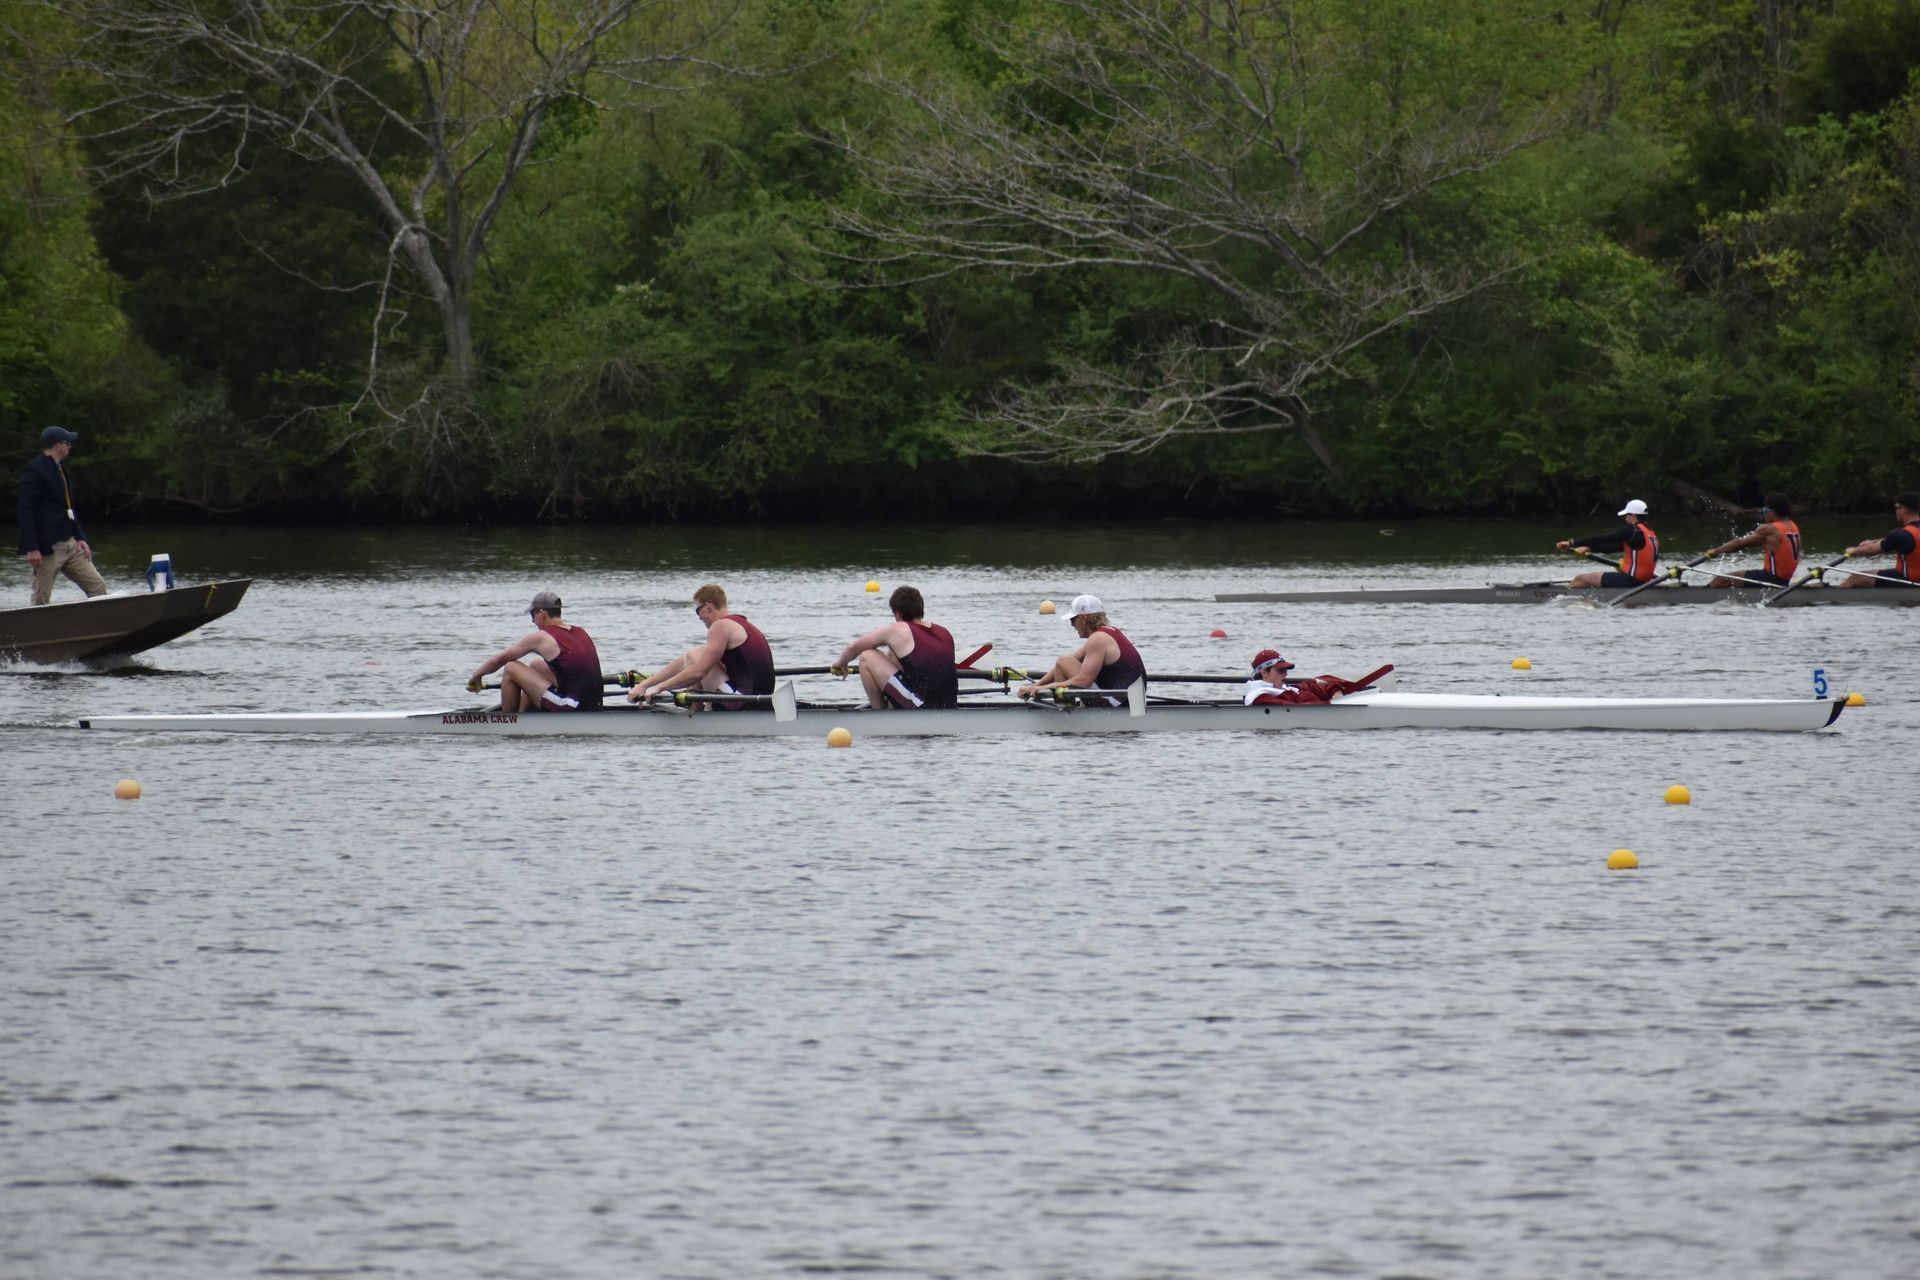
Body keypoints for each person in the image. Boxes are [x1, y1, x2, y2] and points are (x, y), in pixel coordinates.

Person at [627, 583, 775, 708]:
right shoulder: (740, 623)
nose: (699, 617)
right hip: (760, 699)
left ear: (708, 608)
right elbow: (682, 663)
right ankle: (697, 709)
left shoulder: (720, 627)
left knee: (695, 656)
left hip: (744, 701)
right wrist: (645, 685)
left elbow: (698, 672)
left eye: (698, 611)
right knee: (696, 655)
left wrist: (659, 688)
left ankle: (697, 714)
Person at [466, 591, 605, 712]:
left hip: (571, 706)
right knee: (536, 665)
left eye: (533, 614)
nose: (533, 621)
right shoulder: (581, 632)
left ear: (541, 613)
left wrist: (475, 677)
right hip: (595, 705)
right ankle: (524, 715)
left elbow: (498, 660)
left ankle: (508, 723)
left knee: (510, 667)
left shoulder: (542, 637)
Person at [17, 425, 108, 605]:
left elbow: (69, 507)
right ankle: (34, 631)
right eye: (68, 443)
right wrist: (32, 547)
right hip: (47, 548)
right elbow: (25, 509)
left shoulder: (62, 470)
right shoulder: (34, 470)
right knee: (41, 598)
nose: (70, 447)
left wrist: (80, 537)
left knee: (98, 586)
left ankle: (100, 628)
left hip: (70, 543)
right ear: (58, 445)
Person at [833, 584, 958, 709]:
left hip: (921, 707)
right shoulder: (944, 632)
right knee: (894, 654)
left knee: (867, 656)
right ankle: (891, 708)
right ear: (921, 609)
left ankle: (879, 716)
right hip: (949, 705)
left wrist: (841, 664)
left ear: (898, 614)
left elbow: (853, 648)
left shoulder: (899, 629)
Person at [1016, 593, 1147, 706]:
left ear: (1084, 619)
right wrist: (1035, 686)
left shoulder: (1098, 639)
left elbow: (1083, 681)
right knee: (1064, 661)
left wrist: (1042, 688)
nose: (1072, 625)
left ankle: (1065, 717)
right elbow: (1064, 664)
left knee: (1064, 663)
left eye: (1073, 619)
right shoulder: (1109, 632)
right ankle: (1069, 707)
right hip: (1129, 700)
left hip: (1117, 703)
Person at [1555, 499, 1659, 589]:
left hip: (1630, 581)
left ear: (1633, 516)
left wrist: (1572, 543)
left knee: (1581, 579)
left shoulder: (1632, 530)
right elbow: (1612, 547)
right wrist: (1589, 548)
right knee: (1590, 579)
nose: (1625, 518)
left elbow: (1604, 538)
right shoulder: (1649, 533)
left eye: (1627, 515)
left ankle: (1559, 596)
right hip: (1645, 582)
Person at [1703, 494, 1801, 587]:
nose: (1764, 513)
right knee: (1736, 580)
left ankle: (1701, 595)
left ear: (1772, 512)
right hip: (1784, 580)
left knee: (1721, 579)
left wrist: (1716, 551)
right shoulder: (1792, 526)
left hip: (1770, 578)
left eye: (1765, 510)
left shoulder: (1769, 529)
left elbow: (1739, 544)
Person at [1837, 492, 1920, 588]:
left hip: (1909, 581)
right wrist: (1871, 542)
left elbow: (1871, 551)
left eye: (1896, 508)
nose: (1895, 511)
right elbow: (1893, 540)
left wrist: (1853, 550)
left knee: (1855, 578)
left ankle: (1833, 599)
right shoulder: (1904, 535)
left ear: (1903, 509)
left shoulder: (1900, 535)